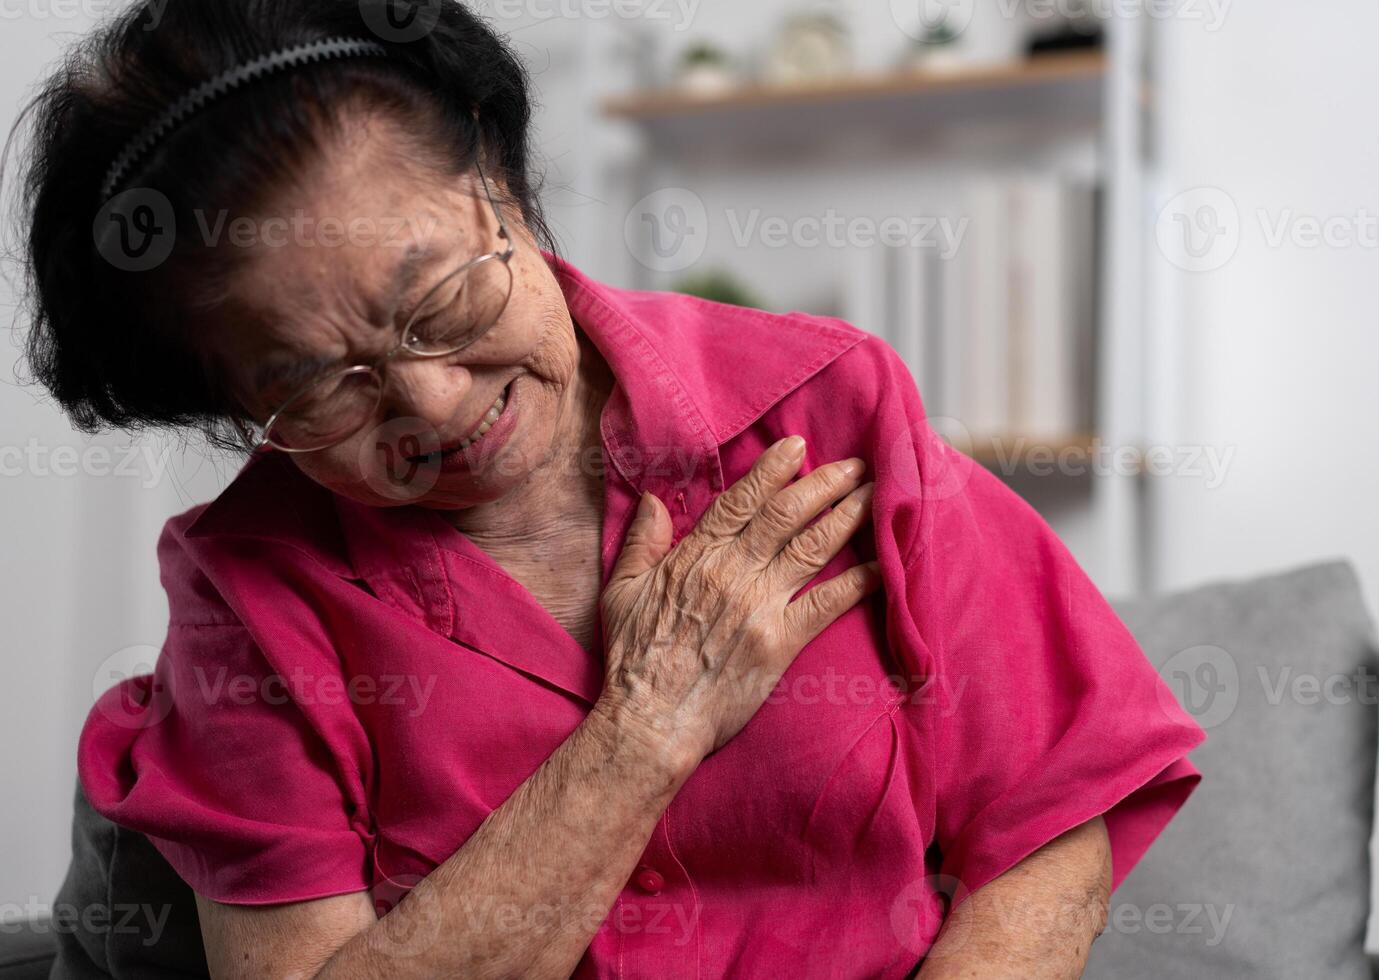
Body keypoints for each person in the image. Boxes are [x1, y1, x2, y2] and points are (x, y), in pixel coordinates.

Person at [11, 0, 1206, 975]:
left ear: (507, 184)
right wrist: (645, 729)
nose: (430, 404)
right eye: (320, 385)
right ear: (233, 408)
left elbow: (1050, 831)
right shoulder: (252, 595)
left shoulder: (826, 407)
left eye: (443, 302)